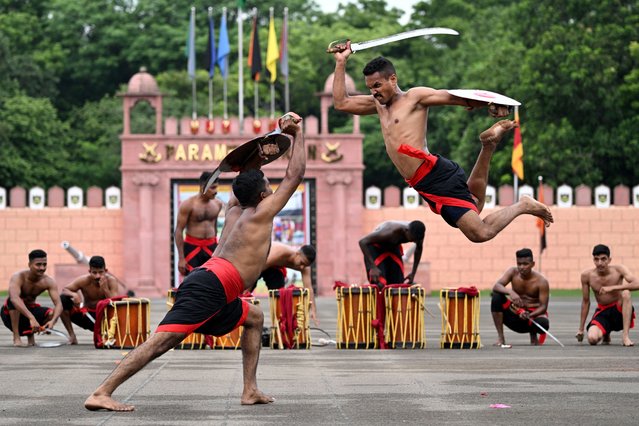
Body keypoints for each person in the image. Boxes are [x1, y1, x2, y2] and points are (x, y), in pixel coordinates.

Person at [84, 112, 306, 412]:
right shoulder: (262, 212)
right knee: (161, 342)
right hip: (211, 285)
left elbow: (247, 182)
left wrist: (256, 156)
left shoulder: (232, 209)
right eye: (266, 184)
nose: (269, 187)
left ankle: (250, 390)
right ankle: (102, 392)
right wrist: (296, 134)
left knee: (254, 318)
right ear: (265, 194)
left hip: (216, 284)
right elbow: (295, 175)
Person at [331, 47, 553, 242]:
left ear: (393, 80)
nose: (374, 92)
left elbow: (450, 97)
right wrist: (341, 62)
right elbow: (341, 103)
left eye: (377, 85)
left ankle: (523, 204)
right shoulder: (378, 105)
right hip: (422, 183)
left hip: (434, 174)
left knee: (479, 233)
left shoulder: (414, 98)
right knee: (474, 207)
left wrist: (490, 103)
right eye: (370, 87)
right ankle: (487, 145)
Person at [1, 249, 64, 347]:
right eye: (38, 264)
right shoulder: (18, 277)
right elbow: (14, 298)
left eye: (44, 264)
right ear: (29, 264)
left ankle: (31, 336)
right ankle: (16, 337)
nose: (42, 268)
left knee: (52, 313)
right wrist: (31, 317)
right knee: (13, 301)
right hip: (11, 314)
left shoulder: (48, 281)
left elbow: (59, 304)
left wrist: (53, 321)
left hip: (30, 310)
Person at [577, 244, 637, 347]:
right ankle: (606, 333)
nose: (599, 263)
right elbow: (586, 301)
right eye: (596, 259)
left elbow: (637, 283)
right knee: (592, 339)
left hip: (619, 310)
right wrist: (581, 329)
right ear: (593, 260)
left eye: (603, 259)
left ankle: (625, 337)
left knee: (626, 293)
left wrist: (613, 288)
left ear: (609, 260)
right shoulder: (587, 276)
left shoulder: (619, 270)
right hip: (603, 311)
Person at [491, 248, 550, 346]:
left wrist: (529, 315)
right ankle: (501, 338)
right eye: (519, 264)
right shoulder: (512, 272)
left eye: (525, 264)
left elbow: (543, 307)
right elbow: (496, 286)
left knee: (543, 323)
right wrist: (510, 291)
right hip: (514, 314)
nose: (522, 267)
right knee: (496, 297)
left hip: (530, 318)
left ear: (532, 264)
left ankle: (533, 336)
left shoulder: (542, 281)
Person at [248, 242, 319, 323]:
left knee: (280, 296)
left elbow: (308, 288)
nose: (302, 267)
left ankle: (280, 324)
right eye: (301, 263)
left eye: (305, 265)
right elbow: (259, 268)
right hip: (260, 262)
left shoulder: (304, 267)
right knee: (246, 289)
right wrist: (247, 289)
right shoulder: (281, 252)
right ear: (297, 253)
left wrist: (313, 310)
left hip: (275, 270)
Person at [59, 256, 120, 345]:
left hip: (105, 319)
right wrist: (74, 294)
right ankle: (72, 336)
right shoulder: (84, 280)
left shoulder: (111, 281)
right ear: (89, 271)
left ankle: (106, 334)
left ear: (106, 271)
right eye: (94, 273)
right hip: (87, 316)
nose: (97, 276)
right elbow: (65, 289)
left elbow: (115, 304)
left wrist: (105, 289)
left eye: (101, 272)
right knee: (62, 299)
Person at [174, 172, 224, 277]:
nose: (216, 192)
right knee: (190, 280)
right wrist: (181, 258)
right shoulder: (188, 204)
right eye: (213, 188)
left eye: (216, 187)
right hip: (192, 247)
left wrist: (218, 247)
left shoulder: (218, 204)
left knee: (213, 278)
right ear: (203, 187)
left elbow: (214, 226)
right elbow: (179, 230)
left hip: (211, 246)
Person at [359, 220, 425, 287]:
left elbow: (418, 250)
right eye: (411, 239)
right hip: (376, 248)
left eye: (414, 240)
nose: (412, 241)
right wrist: (372, 267)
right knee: (379, 283)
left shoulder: (419, 235)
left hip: (393, 246)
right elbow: (362, 242)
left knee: (398, 285)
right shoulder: (389, 232)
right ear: (406, 230)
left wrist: (413, 273)